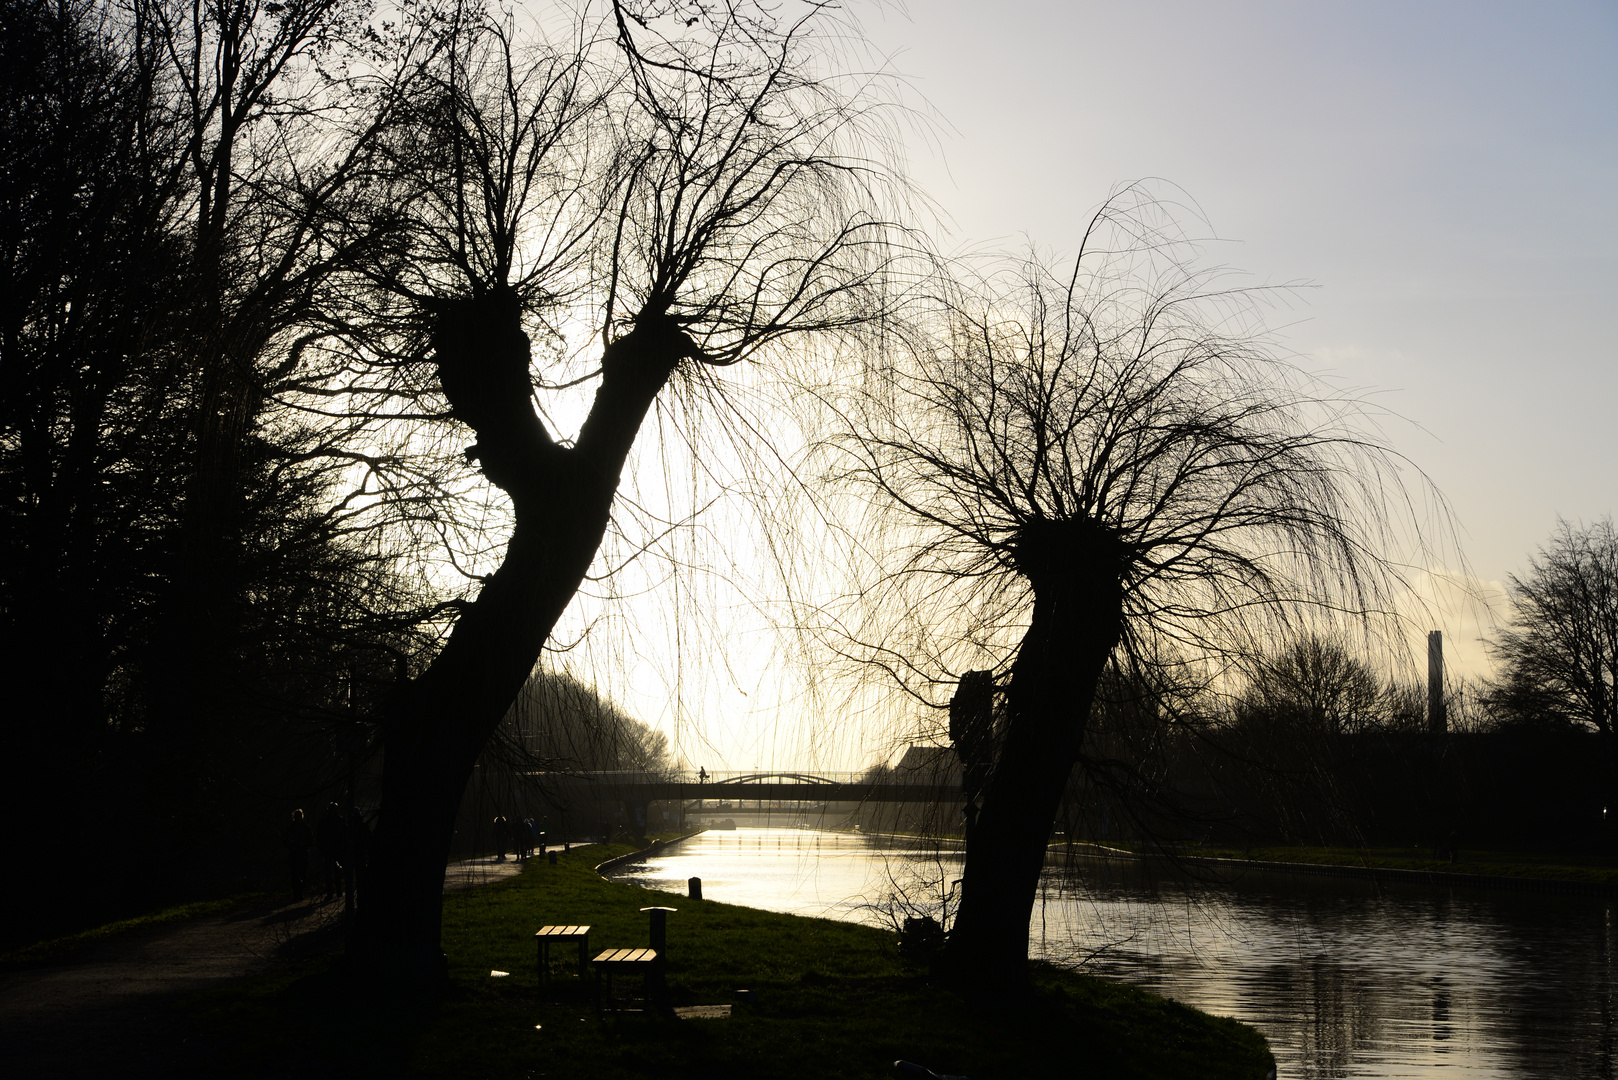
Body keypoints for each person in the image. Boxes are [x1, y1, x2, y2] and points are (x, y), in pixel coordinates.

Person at [282, 809, 313, 900]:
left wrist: (302, 846)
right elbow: (286, 841)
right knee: (296, 875)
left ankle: (300, 893)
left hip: (300, 853)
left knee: (300, 874)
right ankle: (298, 893)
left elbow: (310, 840)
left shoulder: (301, 827)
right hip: (297, 854)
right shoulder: (296, 828)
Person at [316, 802, 343, 902]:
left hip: (333, 850)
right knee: (333, 872)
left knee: (333, 872)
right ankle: (335, 891)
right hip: (332, 850)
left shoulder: (326, 822)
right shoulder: (338, 821)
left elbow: (319, 837)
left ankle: (333, 891)